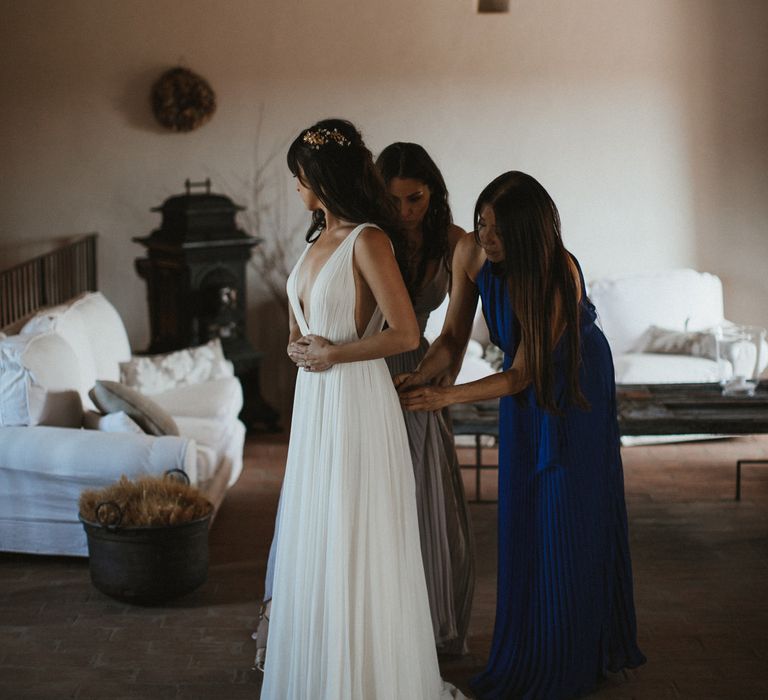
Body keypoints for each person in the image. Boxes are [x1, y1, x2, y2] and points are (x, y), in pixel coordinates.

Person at [397, 171, 646, 699]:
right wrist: (422, 374)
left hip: (572, 388)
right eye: (482, 221)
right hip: (522, 396)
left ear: (529, 231)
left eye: (498, 229)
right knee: (524, 515)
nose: (485, 236)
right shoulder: (469, 254)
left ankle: (574, 650)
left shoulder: (558, 271)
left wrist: (445, 398)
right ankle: (528, 642)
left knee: (566, 514)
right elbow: (452, 337)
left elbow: (522, 375)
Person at [259, 118, 464, 699]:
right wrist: (299, 342)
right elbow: (307, 321)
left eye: (300, 178)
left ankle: (367, 677)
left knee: (355, 528)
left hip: (355, 399)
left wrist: (335, 352)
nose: (297, 188)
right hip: (317, 399)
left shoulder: (368, 239)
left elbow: (403, 334)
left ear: (321, 179)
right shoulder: (314, 241)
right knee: (317, 525)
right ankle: (322, 672)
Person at [375, 142, 474, 655]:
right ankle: (371, 622)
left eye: (414, 199)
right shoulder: (368, 239)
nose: (405, 212)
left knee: (421, 498)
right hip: (369, 375)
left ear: (432, 192)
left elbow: (453, 335)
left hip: (420, 374)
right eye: (393, 202)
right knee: (372, 500)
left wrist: (437, 386)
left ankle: (420, 626)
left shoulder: (457, 244)